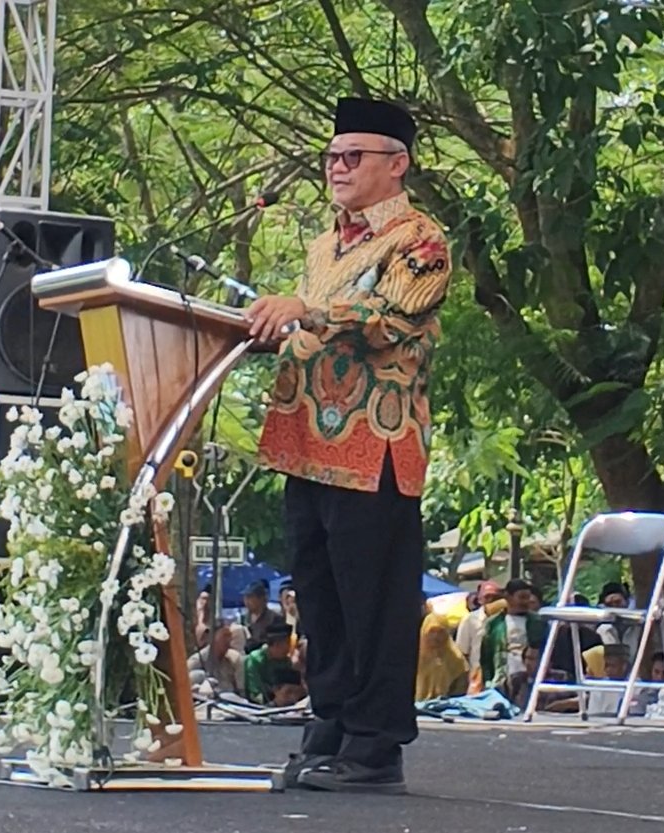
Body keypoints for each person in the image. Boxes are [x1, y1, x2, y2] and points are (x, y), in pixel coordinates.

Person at [249, 96, 451, 794]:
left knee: (375, 601)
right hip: (307, 442)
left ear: (397, 164)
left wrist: (305, 311)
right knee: (319, 597)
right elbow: (315, 330)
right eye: (332, 156)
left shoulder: (421, 241)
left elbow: (388, 320)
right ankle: (331, 722)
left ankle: (375, 745)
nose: (337, 167)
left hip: (376, 446)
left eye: (352, 156)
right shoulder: (321, 247)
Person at [480, 579, 547, 693]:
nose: (526, 602)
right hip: (501, 681)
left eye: (528, 597)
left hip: (529, 681)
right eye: (521, 597)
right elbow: (486, 657)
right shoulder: (494, 623)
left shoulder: (538, 622)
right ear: (508, 596)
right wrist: (487, 681)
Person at [454, 580, 501, 687]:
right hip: (477, 677)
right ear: (479, 599)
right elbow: (462, 651)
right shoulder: (470, 619)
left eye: (495, 597)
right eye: (487, 597)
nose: (491, 600)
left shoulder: (505, 619)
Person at [415, 613, 469, 701]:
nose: (436, 636)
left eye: (440, 632)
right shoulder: (415, 657)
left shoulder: (456, 659)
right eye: (432, 631)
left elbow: (460, 690)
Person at [187, 621, 245, 695]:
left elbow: (241, 690)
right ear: (214, 638)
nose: (228, 640)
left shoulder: (233, 659)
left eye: (229, 636)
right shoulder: (197, 661)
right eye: (224, 636)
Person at [244, 623, 294, 705]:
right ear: (276, 645)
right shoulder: (255, 660)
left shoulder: (286, 661)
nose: (288, 648)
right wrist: (275, 702)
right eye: (286, 643)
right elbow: (254, 694)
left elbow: (292, 687)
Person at [596, 581, 643, 665]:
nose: (614, 607)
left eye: (618, 602)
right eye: (610, 604)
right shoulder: (602, 631)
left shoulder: (639, 626)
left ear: (627, 601)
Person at [238, 580, 284, 654]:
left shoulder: (275, 618)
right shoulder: (243, 619)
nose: (246, 601)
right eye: (245, 597)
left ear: (261, 599)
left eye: (250, 597)